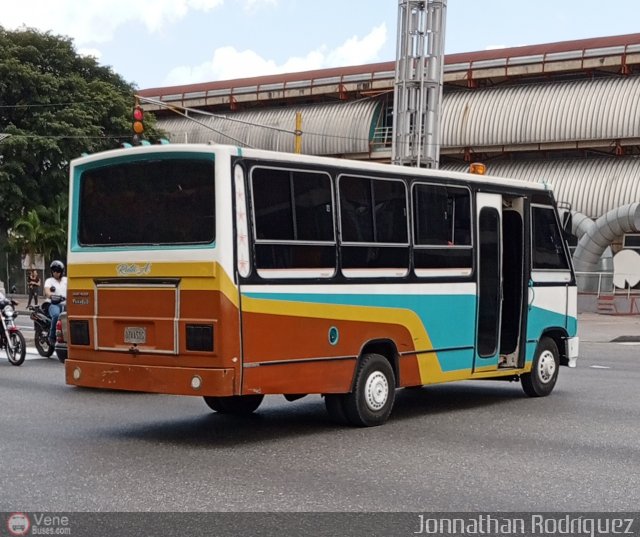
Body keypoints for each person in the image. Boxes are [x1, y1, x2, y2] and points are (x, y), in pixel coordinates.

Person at [44, 260, 67, 345]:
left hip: (66, 304)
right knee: (57, 315)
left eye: (57, 271)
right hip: (54, 304)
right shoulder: (49, 281)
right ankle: (52, 336)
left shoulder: (66, 280)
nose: (55, 273)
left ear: (61, 271)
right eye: (54, 271)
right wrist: (52, 296)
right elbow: (47, 292)